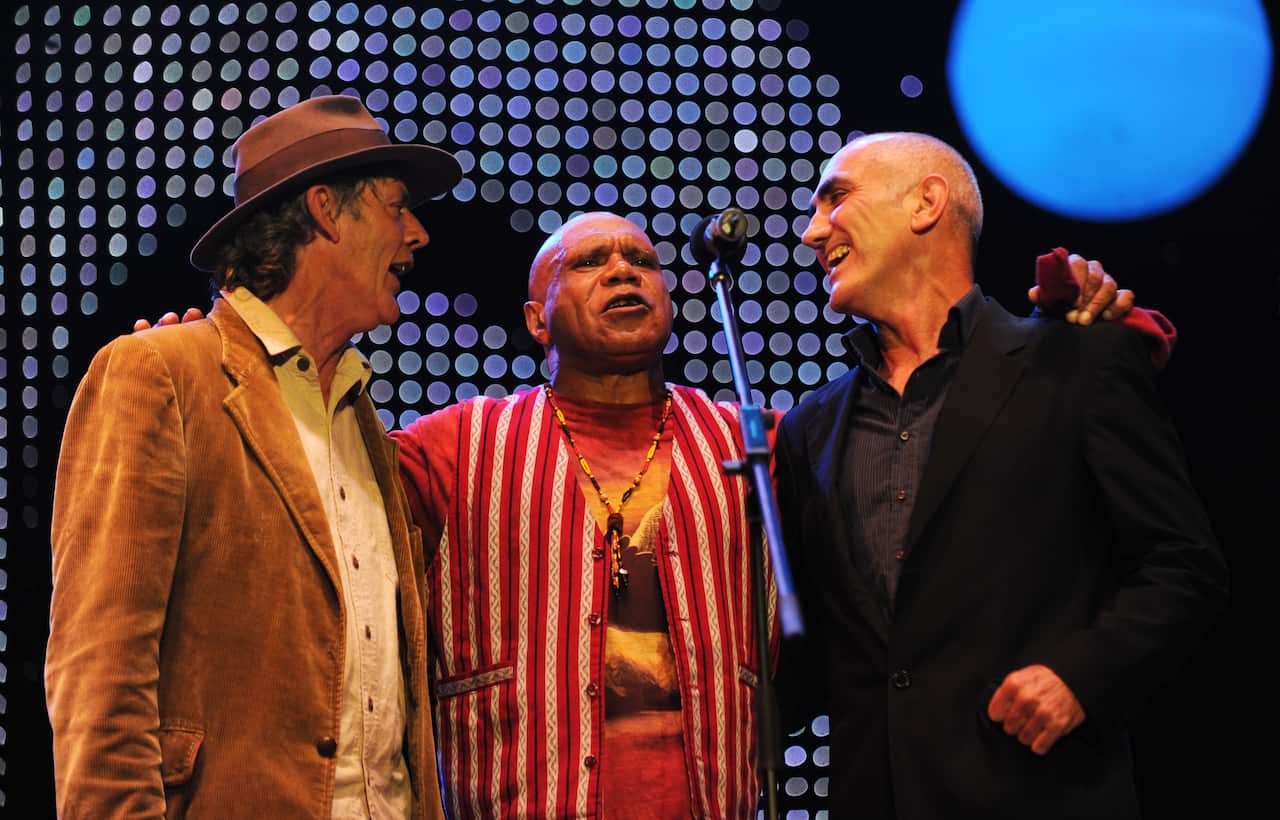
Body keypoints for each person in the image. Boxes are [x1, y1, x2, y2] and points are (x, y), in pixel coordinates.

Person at [131, 209, 1144, 819]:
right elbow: (301, 483)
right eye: (589, 262)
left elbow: (927, 472)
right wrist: (204, 366)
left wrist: (1101, 333)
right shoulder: (453, 442)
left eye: (641, 262)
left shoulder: (757, 436)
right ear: (537, 317)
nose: (623, 272)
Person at [772, 132, 1228, 819]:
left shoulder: (1076, 361)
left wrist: (1083, 675)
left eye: (836, 197)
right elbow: (814, 651)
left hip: (1038, 791)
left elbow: (1184, 565)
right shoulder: (812, 425)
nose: (811, 232)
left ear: (927, 202)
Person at [45, 95, 461, 818]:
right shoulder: (160, 374)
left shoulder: (361, 421)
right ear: (327, 212)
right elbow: (100, 676)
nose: (417, 234)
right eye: (397, 208)